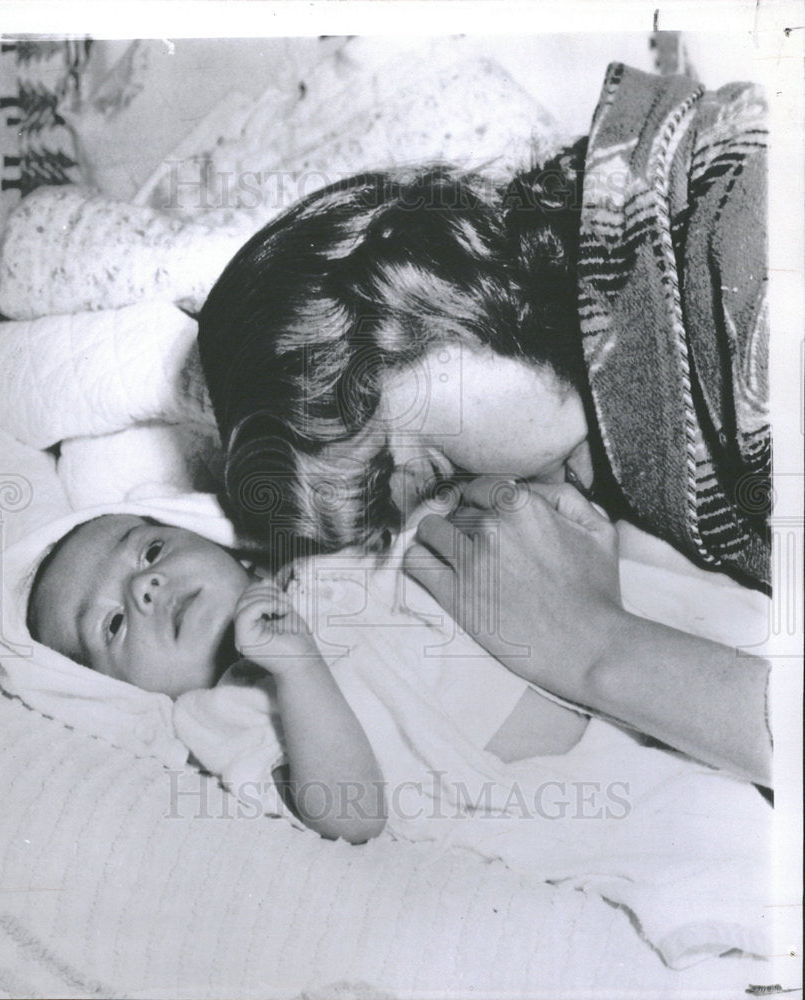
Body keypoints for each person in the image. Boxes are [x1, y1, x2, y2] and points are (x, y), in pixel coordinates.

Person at [197, 63, 772, 785]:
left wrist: (592, 643)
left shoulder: (747, 259)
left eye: (434, 467)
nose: (502, 491)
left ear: (421, 298)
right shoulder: (624, 402)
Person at [26, 505, 773, 969]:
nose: (144, 588)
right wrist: (297, 669)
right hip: (561, 787)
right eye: (114, 624)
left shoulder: (320, 562)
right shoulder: (218, 713)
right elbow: (350, 812)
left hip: (594, 649)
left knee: (716, 610)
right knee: (727, 854)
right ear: (123, 691)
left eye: (149, 551)